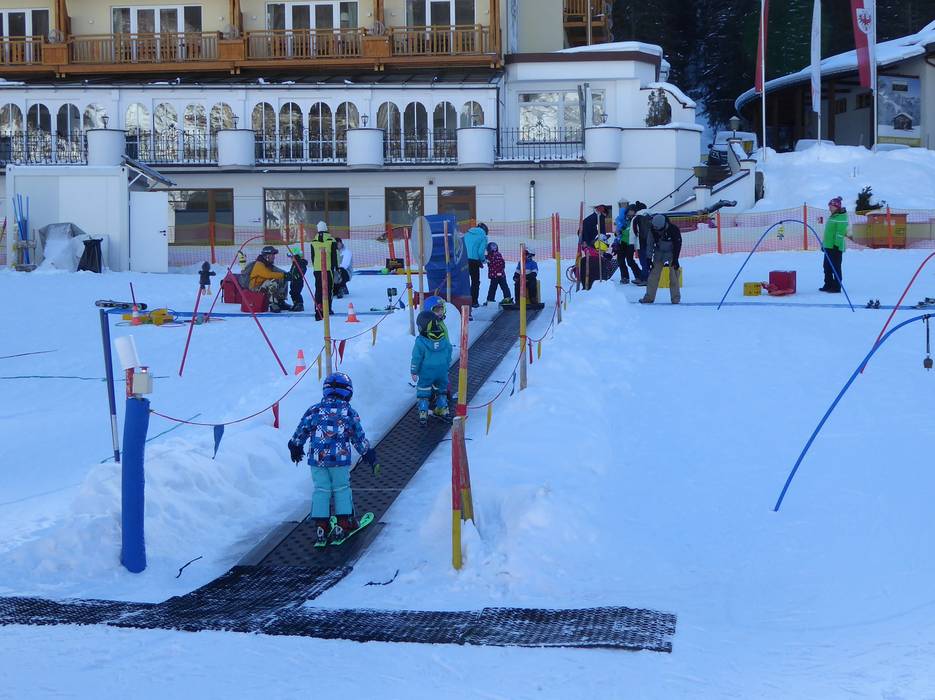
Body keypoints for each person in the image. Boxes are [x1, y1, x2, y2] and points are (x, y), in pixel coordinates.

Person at [287, 372, 380, 546]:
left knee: (321, 489)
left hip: (317, 460)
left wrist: (295, 446)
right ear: (348, 392)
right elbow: (358, 437)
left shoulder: (314, 410)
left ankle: (321, 526)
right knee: (341, 488)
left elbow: (301, 430)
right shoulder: (348, 412)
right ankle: (343, 524)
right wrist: (368, 453)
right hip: (339, 460)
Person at [411, 298, 453, 426]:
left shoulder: (421, 341)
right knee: (441, 388)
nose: (440, 312)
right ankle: (443, 408)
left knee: (423, 389)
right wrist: (447, 363)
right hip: (442, 367)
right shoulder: (441, 332)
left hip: (427, 370)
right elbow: (448, 348)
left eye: (441, 309)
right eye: (436, 310)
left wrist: (414, 370)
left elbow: (417, 357)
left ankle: (423, 411)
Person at [639, 213, 682, 305]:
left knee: (674, 276)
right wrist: (649, 259)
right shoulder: (652, 229)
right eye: (655, 228)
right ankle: (649, 298)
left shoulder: (673, 229)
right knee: (653, 276)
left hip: (671, 253)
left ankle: (675, 299)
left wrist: (675, 259)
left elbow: (677, 244)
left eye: (658, 229)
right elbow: (650, 244)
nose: (656, 230)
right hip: (659, 253)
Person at [248, 245, 292, 313]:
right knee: (272, 281)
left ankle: (280, 302)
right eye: (272, 255)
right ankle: (272, 304)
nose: (274, 257)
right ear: (267, 255)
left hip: (263, 285)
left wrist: (287, 274)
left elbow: (277, 270)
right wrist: (283, 275)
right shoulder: (259, 264)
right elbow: (268, 274)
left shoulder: (268, 264)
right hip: (255, 287)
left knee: (283, 279)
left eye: (274, 255)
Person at [310, 221, 338, 321]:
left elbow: (312, 256)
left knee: (318, 289)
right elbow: (334, 256)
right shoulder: (331, 240)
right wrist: (336, 267)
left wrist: (315, 267)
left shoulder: (313, 242)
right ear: (326, 228)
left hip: (317, 269)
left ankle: (318, 308)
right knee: (328, 289)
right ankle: (327, 308)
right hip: (328, 268)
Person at [821, 196, 849, 293]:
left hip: (835, 247)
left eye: (831, 206)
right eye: (829, 206)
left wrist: (836, 245)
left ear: (836, 207)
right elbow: (829, 233)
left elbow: (840, 233)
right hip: (828, 246)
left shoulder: (841, 217)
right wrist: (824, 245)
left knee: (835, 267)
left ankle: (836, 286)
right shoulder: (833, 216)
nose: (829, 208)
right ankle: (828, 284)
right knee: (826, 266)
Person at [613, 204, 644, 285]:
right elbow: (617, 230)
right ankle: (624, 277)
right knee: (620, 261)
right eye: (629, 212)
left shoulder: (636, 219)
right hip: (622, 242)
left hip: (630, 243)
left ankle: (639, 276)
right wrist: (617, 233)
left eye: (632, 212)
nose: (630, 214)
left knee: (630, 261)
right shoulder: (623, 219)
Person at [464, 222, 489, 308]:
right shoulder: (483, 237)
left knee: (465, 281)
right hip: (474, 261)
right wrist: (483, 260)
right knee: (475, 282)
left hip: (464, 260)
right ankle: (474, 301)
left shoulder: (467, 233)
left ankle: (464, 301)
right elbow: (480, 252)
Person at [483, 241, 512, 306]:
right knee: (504, 286)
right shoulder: (498, 254)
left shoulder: (490, 256)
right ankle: (507, 298)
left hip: (494, 275)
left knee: (493, 288)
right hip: (501, 274)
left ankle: (490, 299)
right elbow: (502, 264)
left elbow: (486, 260)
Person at [286, 245, 308, 312]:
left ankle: (300, 304)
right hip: (293, 281)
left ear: (296, 256)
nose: (291, 259)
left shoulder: (301, 263)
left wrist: (295, 276)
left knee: (296, 292)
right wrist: (288, 275)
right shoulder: (294, 264)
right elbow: (292, 271)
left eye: (292, 257)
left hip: (298, 282)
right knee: (292, 292)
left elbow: (302, 272)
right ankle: (295, 304)